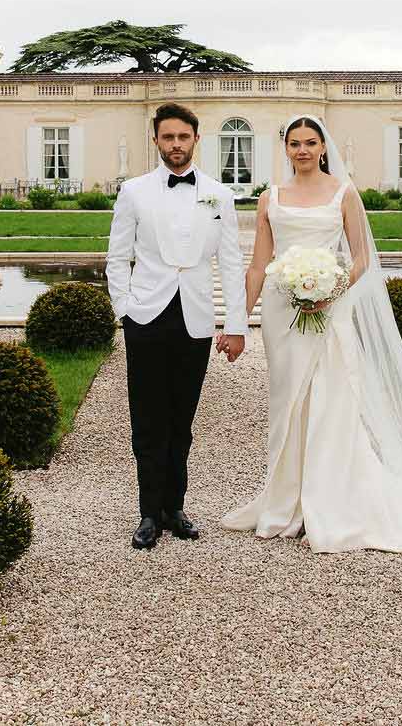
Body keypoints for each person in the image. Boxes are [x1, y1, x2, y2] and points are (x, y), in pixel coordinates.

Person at [223, 114, 402, 555]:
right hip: (281, 314)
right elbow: (257, 266)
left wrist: (330, 290)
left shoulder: (344, 193)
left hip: (330, 311)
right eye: (294, 143)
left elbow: (362, 257)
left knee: (331, 401)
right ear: (285, 148)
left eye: (310, 142)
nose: (303, 150)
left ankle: (328, 500)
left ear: (323, 148)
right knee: (287, 403)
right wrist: (236, 323)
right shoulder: (270, 198)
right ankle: (286, 501)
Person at [104, 103, 248, 551]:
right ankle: (148, 512)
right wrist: (124, 309)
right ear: (156, 141)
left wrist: (236, 323)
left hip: (196, 319)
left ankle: (175, 507)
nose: (176, 145)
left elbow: (230, 261)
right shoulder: (133, 191)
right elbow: (116, 257)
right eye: (168, 138)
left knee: (182, 420)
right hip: (145, 317)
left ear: (195, 139)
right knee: (147, 420)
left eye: (183, 137)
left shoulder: (219, 195)